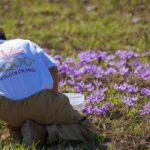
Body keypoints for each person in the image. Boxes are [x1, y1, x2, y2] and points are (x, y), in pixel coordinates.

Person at [0, 28, 96, 147]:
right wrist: (53, 98)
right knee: (87, 128)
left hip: (8, 109)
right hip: (41, 101)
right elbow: (53, 69)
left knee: (18, 120)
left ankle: (19, 132)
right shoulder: (25, 43)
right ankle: (44, 133)